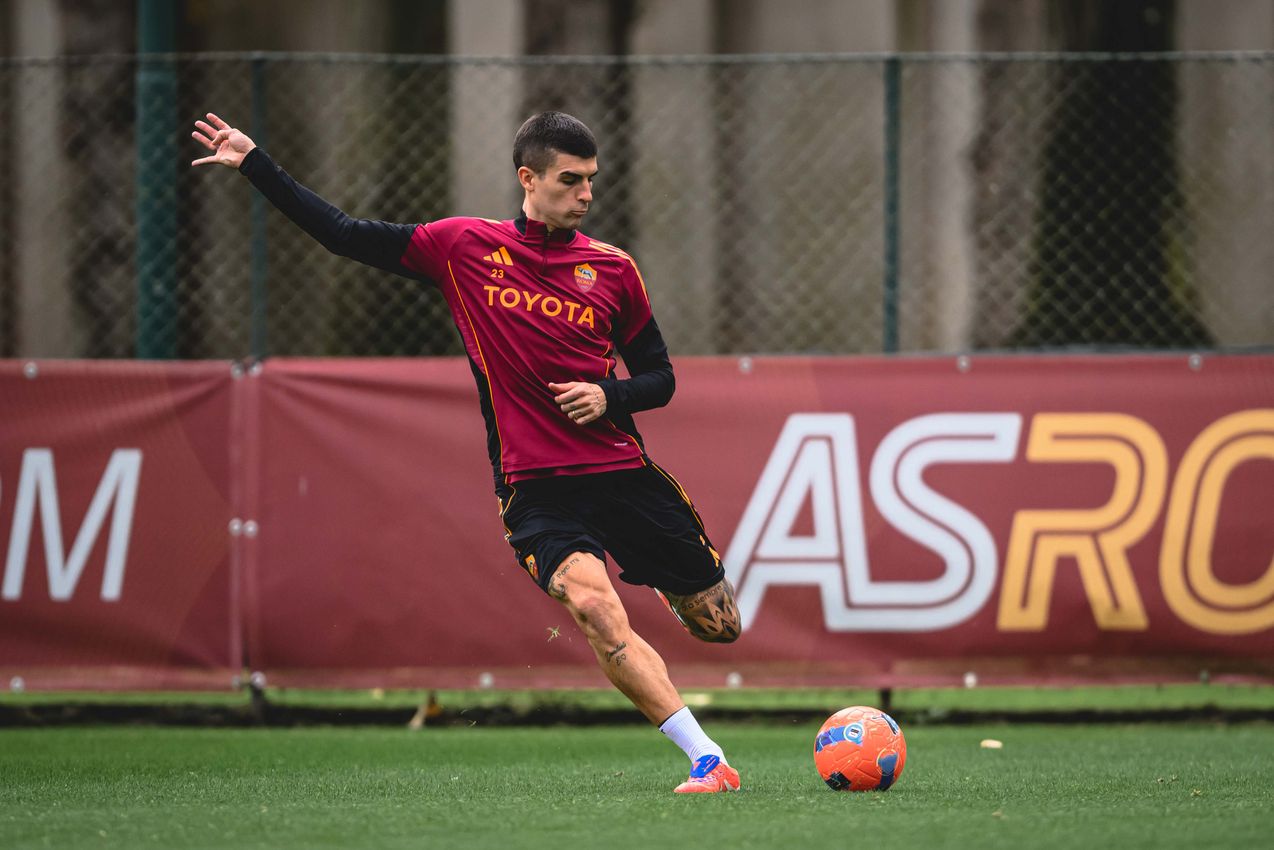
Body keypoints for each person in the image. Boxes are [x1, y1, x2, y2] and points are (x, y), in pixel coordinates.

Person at [192, 110, 742, 793]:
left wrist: (610, 396)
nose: (586, 195)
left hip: (624, 475)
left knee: (720, 628)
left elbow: (660, 378)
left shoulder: (613, 270)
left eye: (591, 181)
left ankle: (658, 572)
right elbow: (341, 235)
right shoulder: (461, 248)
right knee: (595, 608)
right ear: (527, 178)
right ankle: (708, 760)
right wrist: (254, 163)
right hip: (535, 487)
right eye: (571, 180)